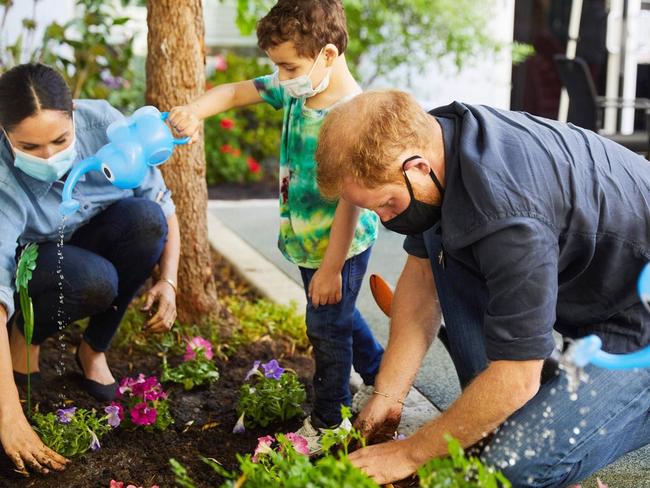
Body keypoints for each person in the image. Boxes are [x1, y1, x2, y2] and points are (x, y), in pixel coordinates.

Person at [314, 89, 650, 486]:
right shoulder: (442, 143)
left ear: (417, 166)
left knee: (511, 467)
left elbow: (518, 375)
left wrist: (410, 451)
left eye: (386, 204)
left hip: (638, 325)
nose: (385, 219)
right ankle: (509, 416)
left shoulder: (506, 211)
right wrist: (387, 398)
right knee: (441, 238)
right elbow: (422, 279)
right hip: (602, 297)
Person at [168, 0, 384, 450]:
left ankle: (330, 422)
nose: (281, 77)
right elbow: (231, 93)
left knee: (325, 326)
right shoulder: (298, 87)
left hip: (338, 246)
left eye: (288, 66)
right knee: (336, 315)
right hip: (308, 242)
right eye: (278, 67)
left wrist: (330, 267)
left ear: (327, 54)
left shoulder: (352, 117)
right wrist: (194, 110)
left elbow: (350, 205)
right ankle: (380, 372)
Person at [0, 63, 180, 475]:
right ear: (5, 133)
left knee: (145, 220)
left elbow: (163, 207)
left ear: (75, 116)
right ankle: (26, 337)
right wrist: (8, 414)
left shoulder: (105, 126)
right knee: (95, 281)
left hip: (94, 237)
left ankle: (93, 349)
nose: (48, 156)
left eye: (60, 140)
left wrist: (168, 281)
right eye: (29, 147)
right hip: (34, 264)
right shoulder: (1, 176)